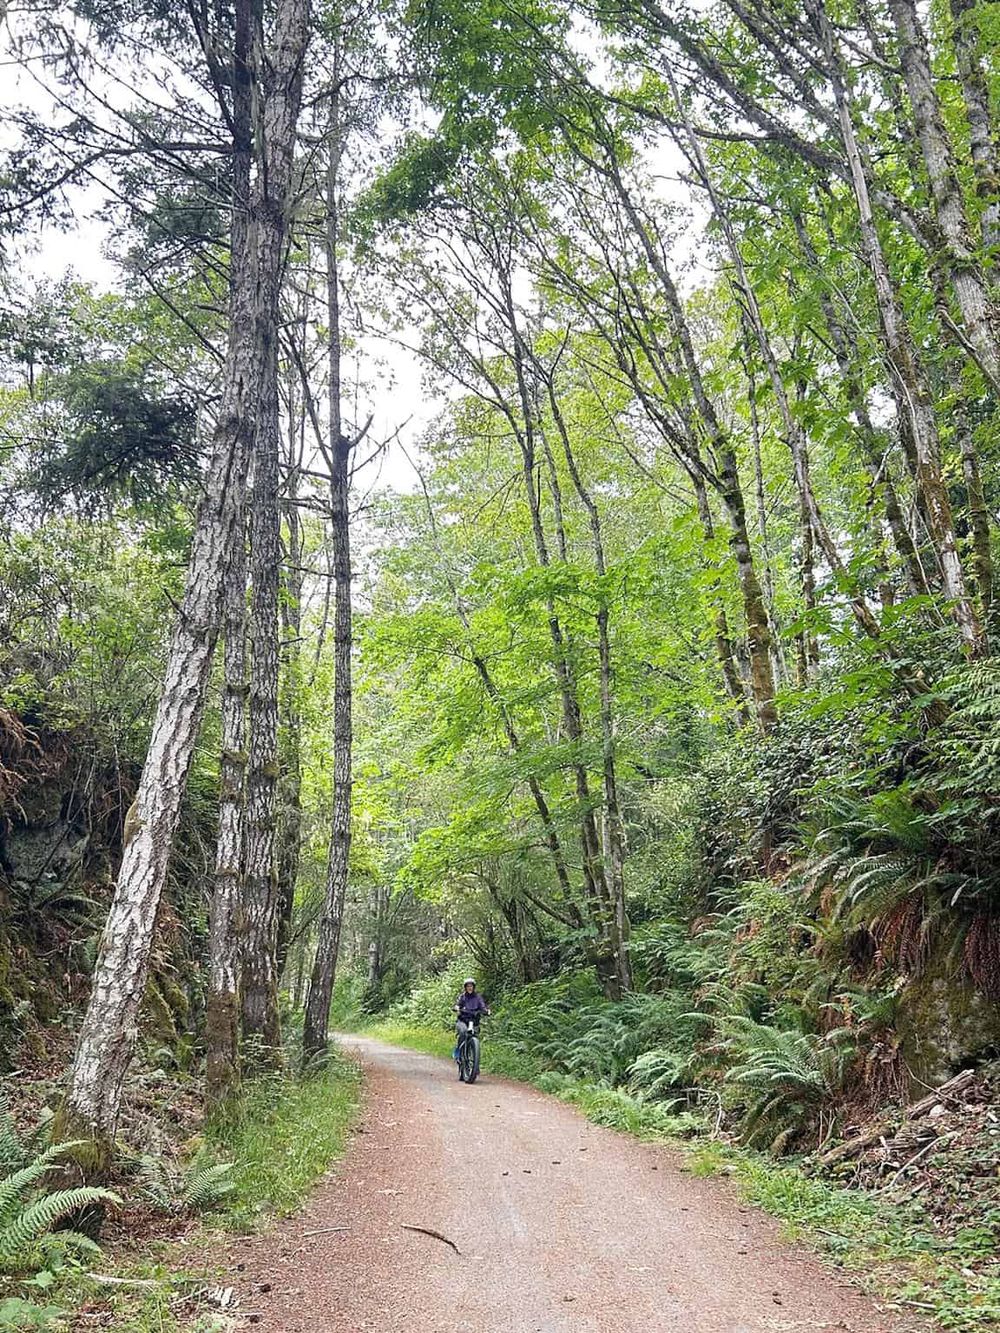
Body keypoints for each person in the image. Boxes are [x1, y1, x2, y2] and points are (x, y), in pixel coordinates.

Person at [453, 977, 489, 1061]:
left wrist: (486, 1011)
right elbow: (458, 1004)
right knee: (463, 1032)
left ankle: (475, 1064)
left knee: (475, 1037)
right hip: (462, 1021)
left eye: (471, 986)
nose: (470, 988)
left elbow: (483, 1006)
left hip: (474, 1021)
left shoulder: (478, 997)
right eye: (468, 986)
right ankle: (458, 1051)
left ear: (473, 987)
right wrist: (457, 1007)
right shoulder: (462, 997)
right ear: (465, 987)